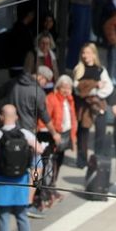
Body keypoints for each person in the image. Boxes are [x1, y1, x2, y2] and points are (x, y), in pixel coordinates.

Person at [43, 74, 77, 206]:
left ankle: (53, 186)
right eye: (64, 88)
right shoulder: (51, 99)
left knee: (59, 161)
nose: (67, 91)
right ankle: (47, 189)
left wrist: (73, 138)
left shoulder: (69, 99)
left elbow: (72, 118)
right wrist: (53, 133)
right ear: (58, 87)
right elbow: (46, 118)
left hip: (66, 134)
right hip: (55, 134)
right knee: (51, 163)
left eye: (69, 88)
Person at [71, 44, 107, 168]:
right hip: (83, 105)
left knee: (100, 131)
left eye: (88, 52)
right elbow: (77, 88)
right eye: (83, 53)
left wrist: (94, 92)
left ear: (94, 54)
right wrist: (94, 85)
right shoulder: (79, 68)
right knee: (83, 132)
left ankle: (98, 159)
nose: (85, 56)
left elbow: (107, 87)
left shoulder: (100, 69)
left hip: (97, 103)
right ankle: (82, 160)